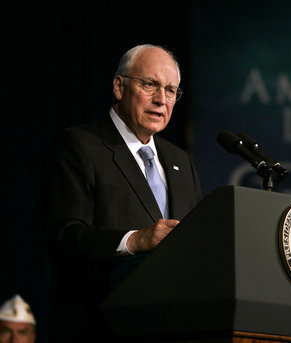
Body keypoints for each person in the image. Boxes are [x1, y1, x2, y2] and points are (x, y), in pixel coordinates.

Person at [41, 44, 202, 342]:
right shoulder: (78, 146)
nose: (161, 100)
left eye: (170, 90)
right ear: (119, 86)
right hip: (99, 326)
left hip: (173, 327)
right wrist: (136, 239)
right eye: (149, 84)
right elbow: (62, 235)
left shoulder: (181, 161)